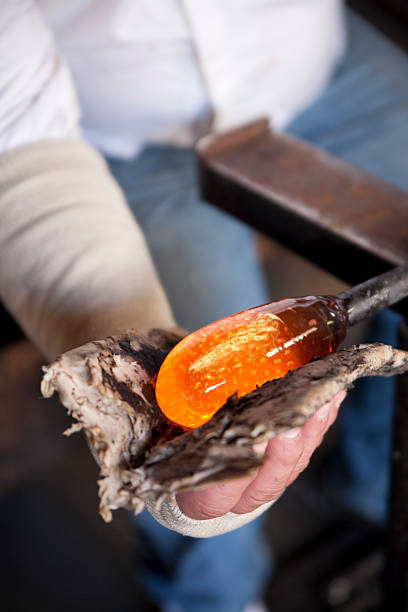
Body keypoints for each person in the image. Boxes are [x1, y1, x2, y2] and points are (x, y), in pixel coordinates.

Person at [0, 1, 406, 610]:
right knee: (199, 462)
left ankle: (372, 493)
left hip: (320, 69)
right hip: (113, 126)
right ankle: (213, 598)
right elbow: (15, 131)